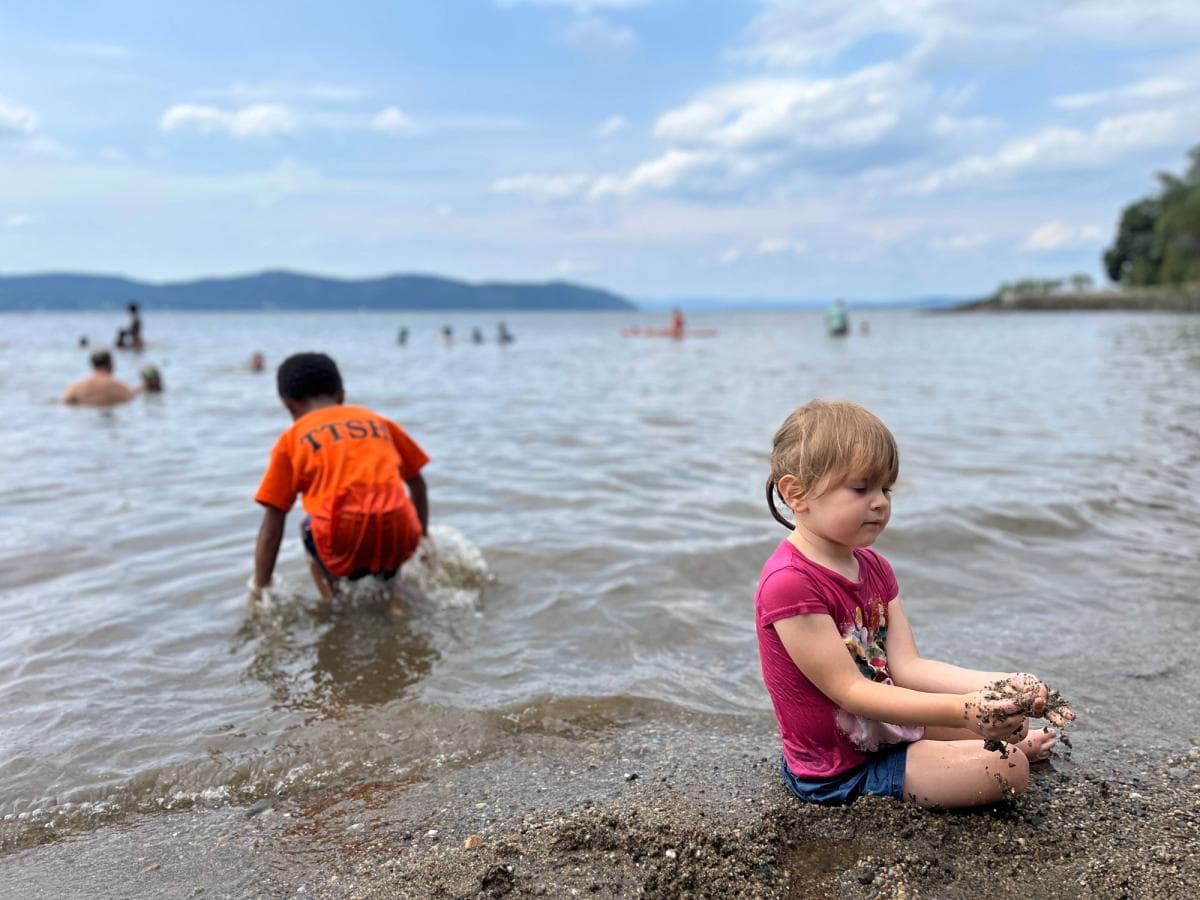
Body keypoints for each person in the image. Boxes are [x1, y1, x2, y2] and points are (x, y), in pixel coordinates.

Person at [757, 400, 1072, 809]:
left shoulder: (875, 567)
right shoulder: (790, 584)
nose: (880, 502)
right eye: (860, 489)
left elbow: (909, 668)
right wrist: (962, 711)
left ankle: (969, 745)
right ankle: (961, 757)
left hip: (889, 730)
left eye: (885, 489)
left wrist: (999, 684)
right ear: (796, 493)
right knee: (1007, 767)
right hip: (837, 770)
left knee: (1003, 722)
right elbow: (851, 691)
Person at [251, 352, 430, 609]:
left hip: (341, 536)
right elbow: (417, 482)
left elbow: (273, 521)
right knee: (389, 517)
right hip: (400, 530)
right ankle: (394, 602)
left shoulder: (290, 441)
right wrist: (422, 537)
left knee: (308, 527)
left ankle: (335, 603)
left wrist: (260, 586)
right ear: (341, 394)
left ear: (287, 404)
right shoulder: (379, 422)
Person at [62, 349, 137, 406]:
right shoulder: (121, 387)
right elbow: (131, 400)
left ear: (92, 364)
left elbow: (65, 402)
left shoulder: (76, 387)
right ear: (110, 365)